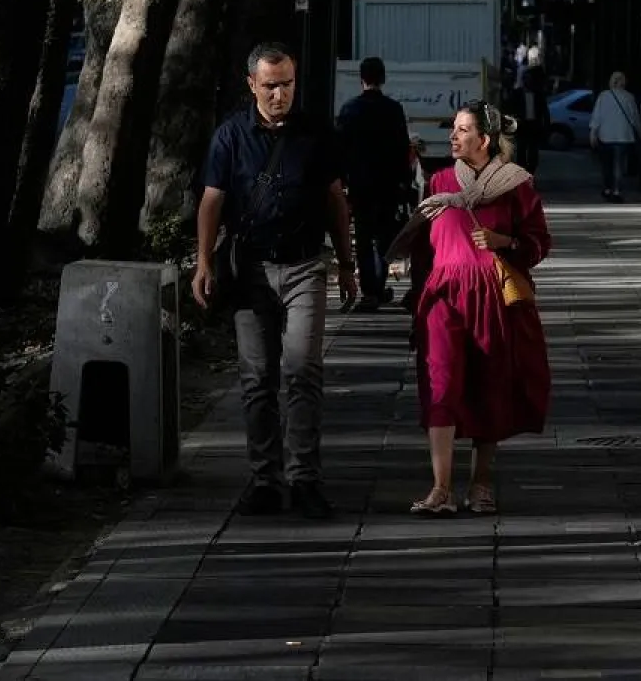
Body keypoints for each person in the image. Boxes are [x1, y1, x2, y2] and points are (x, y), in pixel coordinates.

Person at [192, 42, 358, 520]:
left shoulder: (315, 134)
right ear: (252, 85)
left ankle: (305, 478)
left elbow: (335, 202)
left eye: (287, 83)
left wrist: (346, 264)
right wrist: (204, 262)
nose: (280, 93)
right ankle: (265, 478)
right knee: (256, 379)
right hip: (250, 272)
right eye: (270, 86)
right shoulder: (230, 136)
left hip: (305, 264)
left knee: (304, 371)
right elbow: (211, 201)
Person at [388, 101, 552, 516]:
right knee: (440, 383)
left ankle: (480, 484)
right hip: (444, 296)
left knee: (489, 386)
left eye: (463, 130)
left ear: (486, 138)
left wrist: (506, 243)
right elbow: (424, 246)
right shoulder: (440, 181)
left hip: (494, 298)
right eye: (453, 129)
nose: (454, 136)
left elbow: (538, 243)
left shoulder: (517, 186)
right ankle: (440, 487)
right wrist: (416, 297)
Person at [335, 56, 413, 312]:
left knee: (365, 236)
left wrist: (343, 180)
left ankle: (370, 290)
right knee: (384, 237)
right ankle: (377, 287)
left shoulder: (349, 110)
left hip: (360, 184)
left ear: (361, 78)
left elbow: (341, 149)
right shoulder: (393, 109)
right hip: (388, 184)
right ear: (382, 78)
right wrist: (404, 181)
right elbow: (402, 148)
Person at [589, 70, 641, 203]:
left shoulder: (603, 96)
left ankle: (607, 189)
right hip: (623, 137)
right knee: (619, 165)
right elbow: (635, 118)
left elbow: (597, 116)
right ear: (623, 82)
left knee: (606, 165)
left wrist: (593, 133)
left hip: (605, 136)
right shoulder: (629, 97)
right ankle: (617, 191)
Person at [507, 61, 550, 175]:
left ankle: (530, 174)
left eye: (530, 79)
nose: (528, 81)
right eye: (526, 79)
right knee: (521, 152)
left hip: (534, 127)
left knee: (533, 155)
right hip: (521, 127)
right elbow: (510, 109)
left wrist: (545, 127)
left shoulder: (539, 94)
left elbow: (545, 112)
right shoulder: (517, 94)